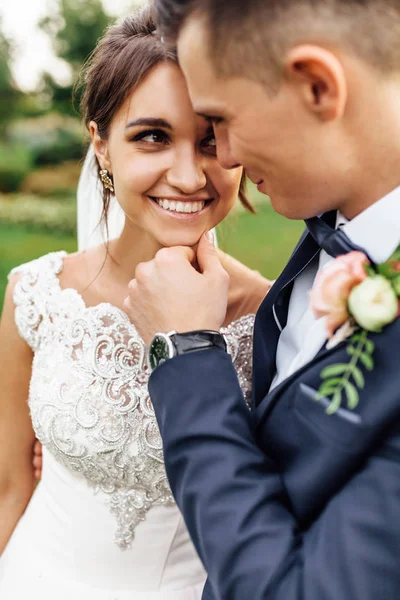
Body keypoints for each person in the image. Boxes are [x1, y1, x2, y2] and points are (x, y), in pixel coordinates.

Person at [126, 1, 400, 599]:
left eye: (219, 120)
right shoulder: (330, 227)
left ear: (317, 86)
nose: (223, 159)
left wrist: (186, 355)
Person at [0, 7, 270, 599]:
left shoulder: (271, 317)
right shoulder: (35, 296)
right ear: (100, 144)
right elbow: (10, 487)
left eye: (209, 139)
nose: (188, 175)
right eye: (153, 136)